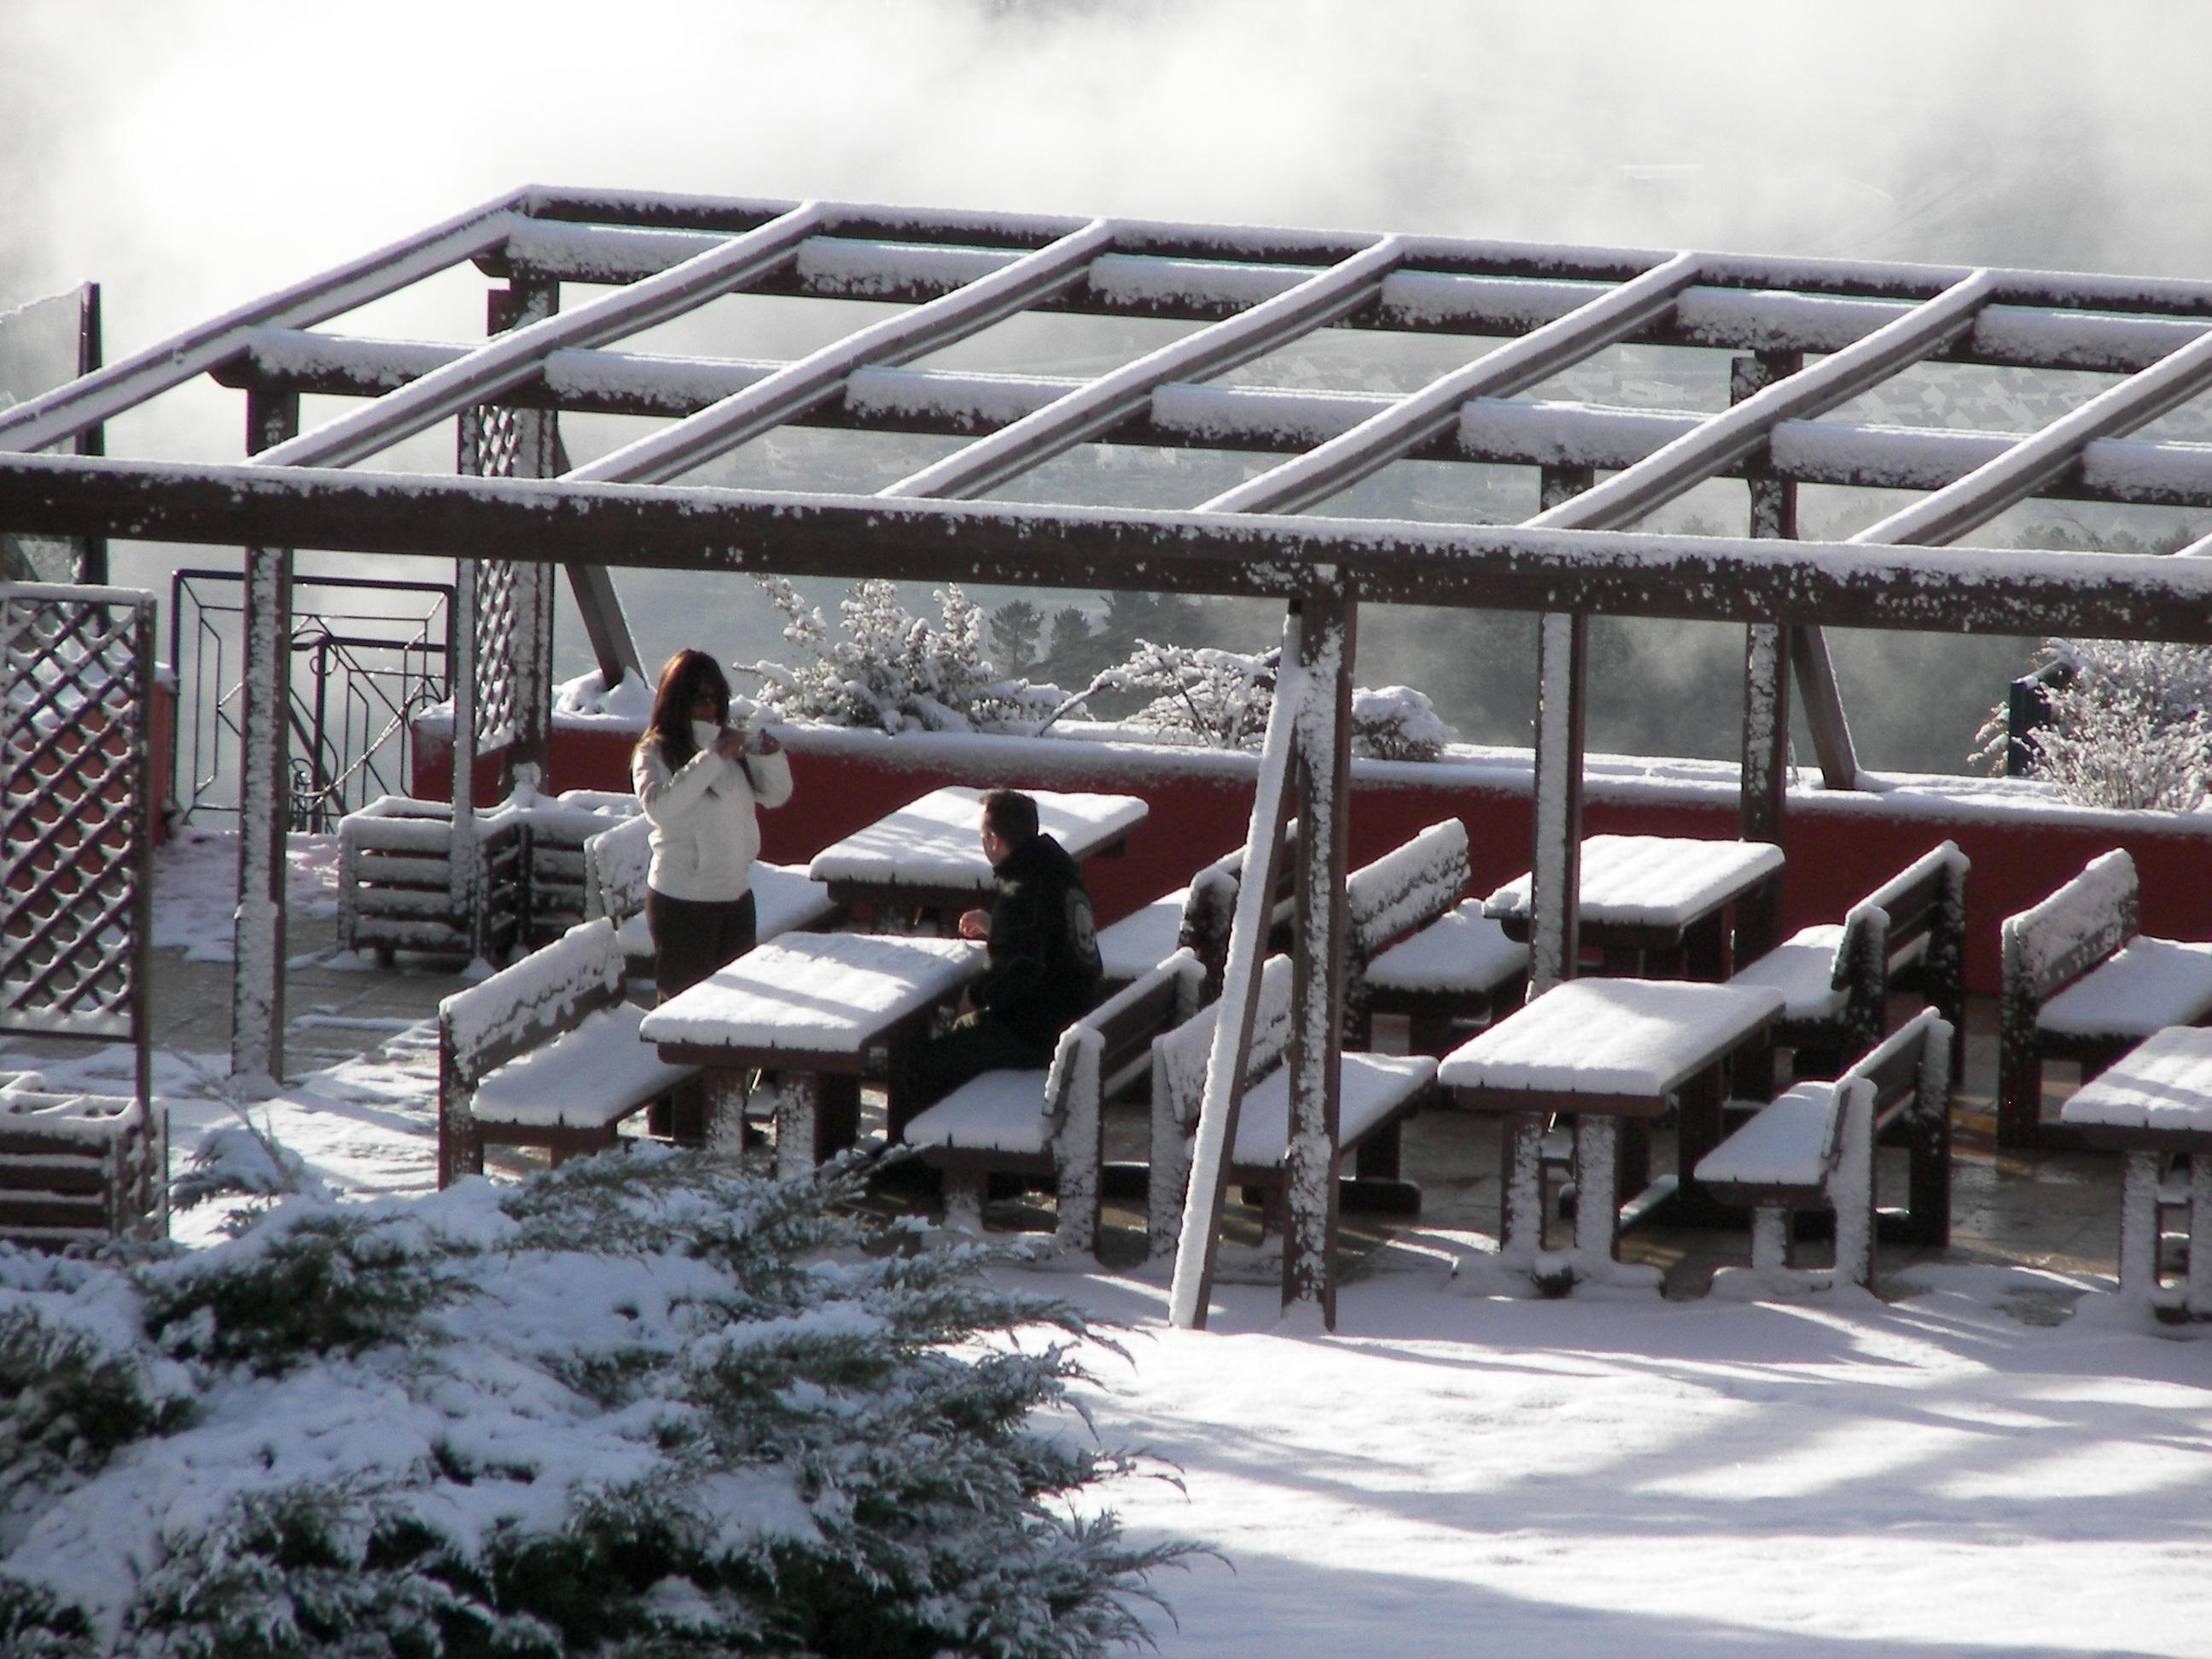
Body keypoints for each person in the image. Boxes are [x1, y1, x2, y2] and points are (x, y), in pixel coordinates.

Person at [916, 789, 1103, 1101]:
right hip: (1077, 1017)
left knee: (927, 1063)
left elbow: (1017, 974)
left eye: (982, 835)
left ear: (994, 841)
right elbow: (1047, 937)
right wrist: (998, 928)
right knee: (964, 1040)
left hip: (1042, 1035)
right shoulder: (1059, 875)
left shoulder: (1022, 892)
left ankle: (926, 1147)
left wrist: (973, 996)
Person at [631, 649, 794, 1006]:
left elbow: (776, 795)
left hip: (735, 895)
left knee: (734, 1011)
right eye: (700, 698)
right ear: (677, 699)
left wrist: (770, 757)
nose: (710, 708)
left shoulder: (730, 746)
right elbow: (660, 808)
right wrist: (713, 757)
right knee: (684, 1013)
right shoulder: (654, 752)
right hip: (683, 901)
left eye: (717, 698)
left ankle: (733, 1066)